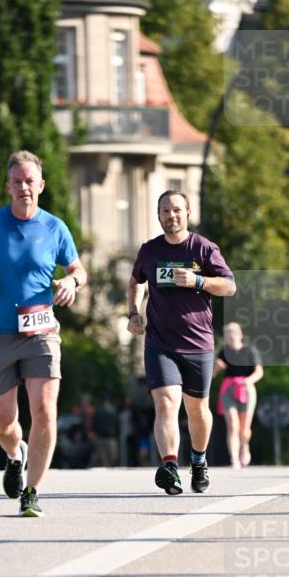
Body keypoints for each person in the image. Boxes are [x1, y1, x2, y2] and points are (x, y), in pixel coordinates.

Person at [0, 150, 86, 516]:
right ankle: (15, 454)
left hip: (40, 330)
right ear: (9, 186)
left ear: (41, 185)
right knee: (3, 423)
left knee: (45, 411)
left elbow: (79, 268)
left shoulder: (55, 228)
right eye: (17, 181)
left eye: (30, 181)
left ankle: (32, 491)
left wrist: (71, 281)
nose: (24, 188)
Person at [127, 190, 236, 495]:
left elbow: (229, 286)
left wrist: (199, 281)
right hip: (160, 343)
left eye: (176, 210)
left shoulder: (203, 248)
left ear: (187, 213)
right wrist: (133, 312)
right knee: (165, 404)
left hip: (198, 344)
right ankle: (170, 466)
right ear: (158, 215)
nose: (170, 215)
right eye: (164, 211)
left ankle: (199, 461)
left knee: (197, 410)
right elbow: (136, 282)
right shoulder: (149, 251)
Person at [213, 322, 263, 469]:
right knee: (232, 425)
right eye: (227, 335)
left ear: (240, 335)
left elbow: (259, 372)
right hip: (228, 389)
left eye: (233, 334)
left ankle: (244, 446)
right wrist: (217, 367)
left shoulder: (250, 351)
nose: (230, 337)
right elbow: (213, 375)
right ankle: (234, 458)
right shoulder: (224, 352)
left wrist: (248, 381)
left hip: (246, 388)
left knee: (244, 427)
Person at [92, 394, 119, 467]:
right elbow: (117, 424)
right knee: (113, 457)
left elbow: (94, 424)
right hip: (111, 437)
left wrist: (97, 433)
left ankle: (107, 472)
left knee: (104, 458)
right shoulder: (114, 410)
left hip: (101, 437)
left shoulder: (98, 411)